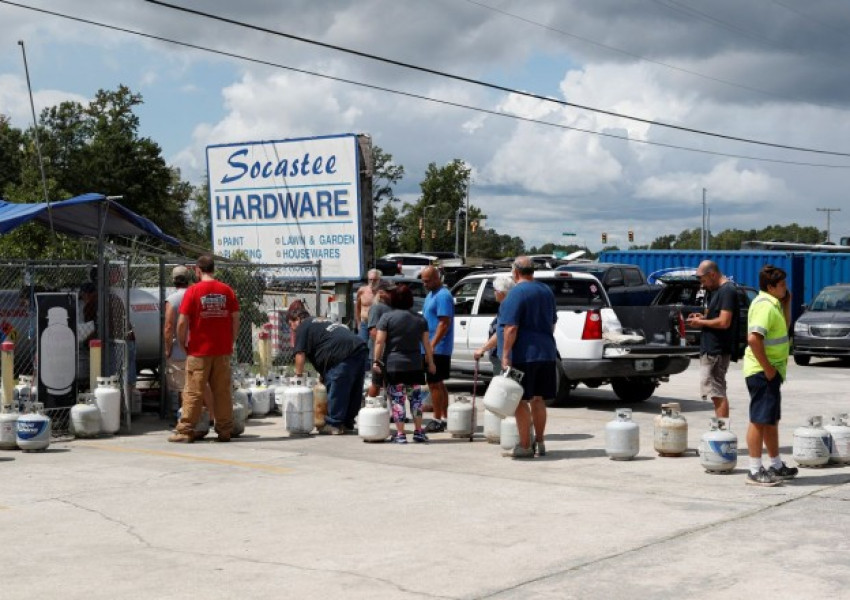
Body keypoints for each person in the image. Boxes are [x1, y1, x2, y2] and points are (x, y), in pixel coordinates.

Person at [170, 255, 239, 443]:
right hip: (222, 351)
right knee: (222, 392)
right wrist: (230, 341)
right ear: (213, 269)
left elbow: (182, 322)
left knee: (193, 391)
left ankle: (185, 430)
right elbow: (235, 319)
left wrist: (183, 344)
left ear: (197, 270)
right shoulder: (227, 291)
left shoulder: (193, 292)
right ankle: (224, 430)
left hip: (198, 351)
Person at [742, 264, 797, 486]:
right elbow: (754, 339)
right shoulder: (764, 306)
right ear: (770, 286)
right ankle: (754, 470)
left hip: (771, 372)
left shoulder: (773, 303)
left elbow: (784, 326)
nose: (786, 287)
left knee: (770, 420)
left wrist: (787, 301)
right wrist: (767, 368)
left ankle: (775, 464)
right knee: (759, 420)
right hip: (762, 372)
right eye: (782, 284)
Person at [500, 256, 558, 459]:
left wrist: (506, 355)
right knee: (538, 399)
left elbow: (511, 328)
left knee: (518, 400)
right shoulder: (546, 291)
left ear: (515, 272)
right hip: (547, 353)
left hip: (523, 355)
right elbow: (552, 323)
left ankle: (525, 445)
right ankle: (540, 442)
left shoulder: (516, 293)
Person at [287, 305, 368, 435]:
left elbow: (299, 354)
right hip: (359, 346)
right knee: (354, 388)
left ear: (297, 319)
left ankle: (334, 424)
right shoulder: (321, 321)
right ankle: (347, 422)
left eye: (290, 324)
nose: (291, 328)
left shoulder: (303, 327)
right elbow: (325, 343)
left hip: (341, 352)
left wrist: (298, 376)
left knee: (337, 385)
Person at [373, 285, 437, 443]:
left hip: (394, 365)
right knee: (415, 400)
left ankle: (401, 434)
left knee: (397, 400)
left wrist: (376, 360)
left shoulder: (387, 318)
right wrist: (431, 362)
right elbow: (426, 344)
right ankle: (418, 432)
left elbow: (380, 341)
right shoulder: (420, 318)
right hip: (415, 366)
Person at [687, 260, 738, 418]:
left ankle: (722, 431)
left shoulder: (727, 290)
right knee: (714, 392)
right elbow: (712, 315)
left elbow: (724, 322)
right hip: (710, 349)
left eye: (703, 280)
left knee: (717, 392)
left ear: (713, 274)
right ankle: (720, 430)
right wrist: (701, 317)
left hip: (717, 350)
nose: (702, 284)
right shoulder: (714, 290)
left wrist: (700, 322)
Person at [163, 265, 214, 421]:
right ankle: (209, 416)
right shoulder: (197, 295)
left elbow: (169, 326)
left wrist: (168, 348)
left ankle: (187, 418)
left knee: (183, 387)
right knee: (202, 383)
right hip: (199, 347)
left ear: (173, 280)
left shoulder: (172, 300)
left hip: (179, 350)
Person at [421, 266, 454, 433]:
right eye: (423, 280)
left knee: (434, 383)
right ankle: (447, 417)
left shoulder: (443, 296)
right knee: (438, 383)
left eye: (427, 281)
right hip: (430, 345)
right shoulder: (430, 295)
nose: (424, 283)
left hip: (438, 348)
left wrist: (431, 346)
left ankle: (437, 419)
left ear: (436, 278)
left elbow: (444, 323)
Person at [473, 274, 516, 374]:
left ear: (500, 292)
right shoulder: (510, 305)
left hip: (504, 359)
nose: (494, 293)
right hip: (505, 357)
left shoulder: (507, 307)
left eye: (495, 290)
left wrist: (482, 349)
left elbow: (501, 333)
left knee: (503, 387)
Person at [366, 280, 395, 398]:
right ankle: (368, 407)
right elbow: (373, 331)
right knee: (376, 384)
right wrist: (386, 342)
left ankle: (388, 411)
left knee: (389, 385)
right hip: (379, 354)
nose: (392, 294)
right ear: (380, 292)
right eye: (389, 291)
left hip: (390, 353)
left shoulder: (390, 306)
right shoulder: (377, 307)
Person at [355, 269, 381, 370]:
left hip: (376, 325)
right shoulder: (362, 291)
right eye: (370, 279)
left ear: (379, 280)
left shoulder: (381, 293)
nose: (372, 282)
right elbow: (357, 307)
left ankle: (372, 371)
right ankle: (363, 371)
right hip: (364, 323)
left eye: (374, 280)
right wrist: (358, 322)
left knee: (373, 348)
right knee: (361, 346)